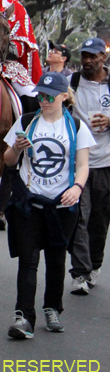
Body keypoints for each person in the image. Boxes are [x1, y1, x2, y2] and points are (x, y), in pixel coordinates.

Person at [3, 72, 93, 338]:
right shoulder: (27, 122)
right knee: (28, 260)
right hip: (29, 203)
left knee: (56, 260)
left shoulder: (76, 127)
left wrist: (77, 188)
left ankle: (52, 307)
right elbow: (8, 161)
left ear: (64, 96)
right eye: (40, 95)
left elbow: (83, 164)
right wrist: (17, 148)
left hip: (62, 205)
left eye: (49, 97)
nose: (43, 101)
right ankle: (23, 317)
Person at [67, 38, 110, 295]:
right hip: (79, 164)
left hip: (106, 163)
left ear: (103, 58)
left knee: (99, 218)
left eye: (92, 56)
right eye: (84, 55)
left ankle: (95, 264)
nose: (87, 60)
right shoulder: (73, 84)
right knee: (79, 218)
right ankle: (80, 273)